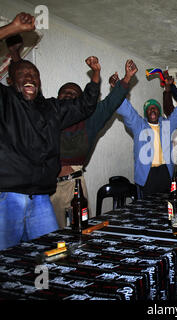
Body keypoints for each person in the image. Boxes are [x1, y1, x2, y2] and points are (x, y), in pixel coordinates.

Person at [0, 13, 101, 250]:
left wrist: (95, 76)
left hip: (42, 198)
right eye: (24, 74)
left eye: (34, 76)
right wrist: (11, 27)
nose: (30, 78)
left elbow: (84, 105)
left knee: (51, 257)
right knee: (6, 264)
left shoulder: (51, 109)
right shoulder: (5, 101)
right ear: (10, 81)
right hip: (8, 197)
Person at [50, 60, 135, 228]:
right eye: (64, 92)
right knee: (52, 236)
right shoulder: (47, 114)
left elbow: (110, 104)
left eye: (74, 93)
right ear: (57, 98)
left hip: (75, 184)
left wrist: (126, 78)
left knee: (82, 230)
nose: (68, 94)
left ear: (82, 100)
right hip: (46, 187)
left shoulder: (90, 118)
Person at [116, 61, 177, 198]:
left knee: (165, 208)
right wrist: (117, 89)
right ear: (146, 113)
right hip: (146, 175)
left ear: (159, 111)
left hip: (165, 173)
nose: (152, 110)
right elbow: (128, 112)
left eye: (155, 108)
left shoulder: (167, 125)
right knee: (145, 212)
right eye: (149, 109)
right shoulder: (139, 126)